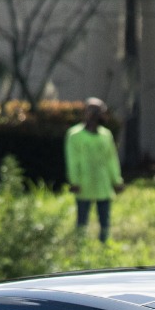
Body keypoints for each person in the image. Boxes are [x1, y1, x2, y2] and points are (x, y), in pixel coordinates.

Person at [64, 97, 123, 242]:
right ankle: (80, 244)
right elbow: (72, 160)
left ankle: (104, 243)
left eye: (98, 111)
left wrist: (116, 180)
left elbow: (111, 159)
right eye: (91, 110)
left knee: (104, 218)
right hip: (84, 183)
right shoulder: (75, 135)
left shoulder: (105, 135)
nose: (94, 114)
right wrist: (74, 181)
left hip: (102, 183)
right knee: (82, 218)